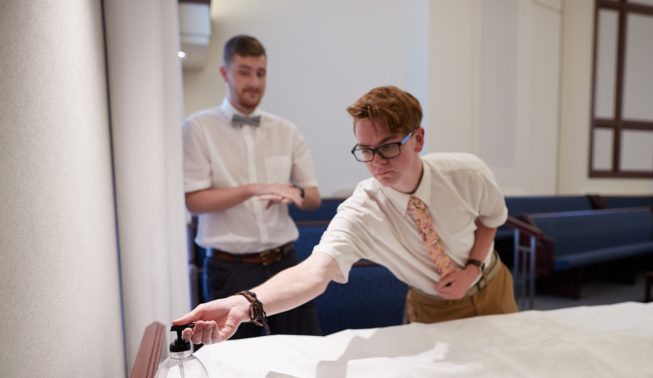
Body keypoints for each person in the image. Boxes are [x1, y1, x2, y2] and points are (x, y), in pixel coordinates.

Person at [176, 85, 518, 344]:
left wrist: (472, 268)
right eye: (366, 150)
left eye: (388, 146)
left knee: (508, 373)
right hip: (432, 304)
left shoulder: (466, 174)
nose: (377, 162)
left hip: (492, 285)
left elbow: (491, 219)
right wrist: (246, 303)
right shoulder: (363, 210)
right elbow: (315, 272)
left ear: (418, 139)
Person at [183, 35, 323, 338]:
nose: (254, 82)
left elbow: (313, 198)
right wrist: (252, 189)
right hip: (229, 269)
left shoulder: (286, 131)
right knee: (235, 358)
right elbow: (194, 201)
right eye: (245, 72)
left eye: (260, 73)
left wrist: (296, 194)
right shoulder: (199, 127)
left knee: (304, 349)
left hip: (285, 264)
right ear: (225, 73)